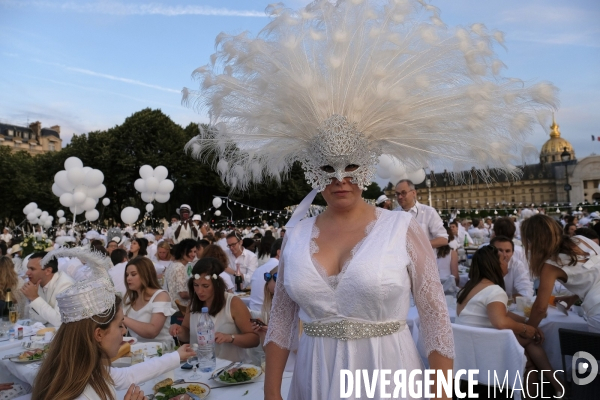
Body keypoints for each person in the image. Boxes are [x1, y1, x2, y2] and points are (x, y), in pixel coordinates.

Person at [183, 0, 557, 398]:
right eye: (327, 169)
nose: (340, 178)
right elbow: (280, 324)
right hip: (315, 377)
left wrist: (442, 390)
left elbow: (434, 319)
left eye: (351, 166)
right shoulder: (297, 235)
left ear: (367, 165)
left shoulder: (403, 228)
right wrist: (272, 393)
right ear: (311, 170)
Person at [31, 248, 196, 400]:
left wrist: (175, 356)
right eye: (119, 325)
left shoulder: (80, 369)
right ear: (99, 334)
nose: (124, 331)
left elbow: (127, 375)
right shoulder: (82, 391)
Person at [455, 246, 564, 396]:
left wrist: (526, 322)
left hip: (468, 351)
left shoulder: (467, 289)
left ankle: (557, 383)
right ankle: (558, 384)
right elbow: (500, 321)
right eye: (504, 260)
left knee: (530, 340)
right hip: (489, 352)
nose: (508, 263)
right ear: (495, 265)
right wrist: (526, 329)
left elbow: (503, 313)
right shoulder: (494, 290)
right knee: (530, 359)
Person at [169, 257, 259, 362]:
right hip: (200, 365)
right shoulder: (193, 303)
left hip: (230, 367)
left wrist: (230, 338)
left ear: (217, 285)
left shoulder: (233, 303)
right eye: (196, 285)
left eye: (205, 286)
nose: (199, 291)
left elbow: (254, 339)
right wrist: (179, 331)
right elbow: (186, 335)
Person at [521, 214, 600, 333]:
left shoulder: (551, 265)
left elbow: (540, 308)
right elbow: (593, 274)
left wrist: (527, 330)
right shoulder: (582, 240)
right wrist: (572, 298)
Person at [123, 257, 174, 347]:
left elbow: (152, 331)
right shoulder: (130, 298)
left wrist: (122, 318)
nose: (128, 278)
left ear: (145, 275)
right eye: (127, 275)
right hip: (136, 349)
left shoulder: (160, 296)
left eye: (133, 274)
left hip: (161, 351)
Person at [21, 251, 75, 326]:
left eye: (32, 269)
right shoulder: (38, 282)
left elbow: (60, 321)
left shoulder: (66, 285)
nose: (27, 273)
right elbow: (35, 318)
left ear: (48, 271)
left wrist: (34, 298)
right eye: (28, 268)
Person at [395, 179, 448, 249]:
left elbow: (443, 239)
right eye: (397, 194)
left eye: (403, 193)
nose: (400, 197)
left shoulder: (428, 212)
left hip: (423, 259)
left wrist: (418, 246)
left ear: (414, 193)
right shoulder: (393, 214)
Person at [249, 239, 282, 312]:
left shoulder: (258, 270)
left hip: (254, 313)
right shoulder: (281, 269)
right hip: (269, 317)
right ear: (279, 252)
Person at [164, 238, 196, 309]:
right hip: (179, 309)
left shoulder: (172, 264)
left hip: (171, 306)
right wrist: (198, 295)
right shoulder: (180, 267)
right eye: (190, 251)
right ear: (182, 252)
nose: (193, 254)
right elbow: (183, 294)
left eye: (195, 251)